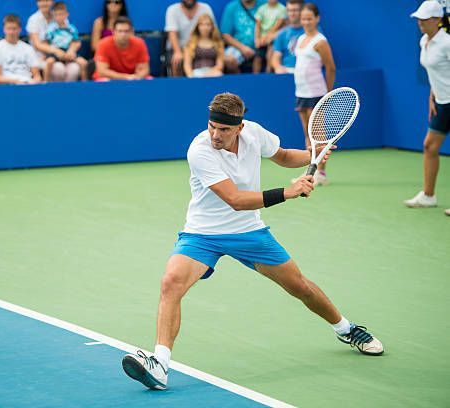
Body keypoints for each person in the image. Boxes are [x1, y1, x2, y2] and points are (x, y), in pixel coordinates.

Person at [120, 92, 384, 391]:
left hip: (248, 233)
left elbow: (283, 156)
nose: (215, 134)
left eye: (224, 130)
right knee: (171, 282)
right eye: (212, 126)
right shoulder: (200, 150)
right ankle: (161, 365)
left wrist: (312, 154)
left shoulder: (254, 133)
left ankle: (346, 329)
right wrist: (288, 192)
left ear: (239, 128)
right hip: (203, 234)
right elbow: (234, 199)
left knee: (299, 286)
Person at [404, 1, 450, 216]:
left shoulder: (447, 43)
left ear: (438, 20)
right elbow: (437, 73)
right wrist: (433, 95)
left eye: (425, 19)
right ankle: (428, 195)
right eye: (419, 19)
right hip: (441, 103)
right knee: (430, 146)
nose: (420, 23)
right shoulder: (424, 41)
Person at [292, 3, 335, 186]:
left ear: (317, 19)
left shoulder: (321, 41)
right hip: (301, 91)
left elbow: (330, 68)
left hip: (317, 92)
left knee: (318, 134)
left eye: (310, 18)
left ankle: (321, 173)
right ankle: (311, 169)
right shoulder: (300, 38)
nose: (306, 22)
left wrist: (328, 93)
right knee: (308, 134)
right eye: (303, 18)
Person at [164, 0, 216, 76]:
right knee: (176, 61)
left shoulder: (206, 8)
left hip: (199, 48)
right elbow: (172, 33)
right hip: (180, 48)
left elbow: (214, 32)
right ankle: (177, 87)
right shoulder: (172, 10)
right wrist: (177, 52)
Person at [0, 14, 42, 84]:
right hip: (7, 87)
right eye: (8, 28)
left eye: (14, 28)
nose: (11, 32)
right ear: (4, 29)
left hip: (27, 85)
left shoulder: (28, 48)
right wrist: (15, 81)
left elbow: (37, 76)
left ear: (19, 29)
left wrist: (33, 82)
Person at [93, 17, 151, 81]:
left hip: (133, 78)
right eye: (120, 31)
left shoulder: (140, 43)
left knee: (149, 79)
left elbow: (145, 69)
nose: (123, 34)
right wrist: (125, 77)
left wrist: (137, 76)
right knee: (103, 80)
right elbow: (102, 71)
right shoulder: (103, 44)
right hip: (110, 78)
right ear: (113, 32)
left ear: (132, 32)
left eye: (126, 31)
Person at [43, 2, 88, 82]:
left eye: (61, 14)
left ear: (67, 14)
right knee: (49, 62)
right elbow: (46, 43)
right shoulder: (51, 28)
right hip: (56, 52)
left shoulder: (72, 28)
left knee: (83, 63)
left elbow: (76, 42)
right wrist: (52, 53)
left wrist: (71, 51)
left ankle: (85, 85)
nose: (59, 17)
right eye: (57, 15)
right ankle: (45, 83)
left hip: (69, 52)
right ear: (53, 15)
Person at [220, 0, 265, 74]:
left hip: (261, 45)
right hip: (239, 46)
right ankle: (242, 83)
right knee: (228, 60)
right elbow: (225, 35)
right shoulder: (232, 7)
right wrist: (242, 48)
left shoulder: (264, 5)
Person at [182, 14, 224, 78]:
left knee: (219, 74)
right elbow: (187, 64)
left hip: (212, 73)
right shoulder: (190, 43)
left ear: (212, 26)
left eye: (208, 24)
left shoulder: (218, 43)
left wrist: (209, 73)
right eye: (202, 24)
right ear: (197, 27)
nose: (205, 27)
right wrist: (191, 76)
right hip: (195, 73)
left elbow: (220, 65)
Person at [270, 0, 304, 74]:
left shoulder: (312, 31)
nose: (292, 13)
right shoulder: (282, 34)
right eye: (289, 10)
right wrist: (278, 67)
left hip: (306, 72)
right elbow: (276, 56)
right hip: (287, 71)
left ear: (302, 11)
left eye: (295, 10)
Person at [254, 0, 287, 73]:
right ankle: (255, 77)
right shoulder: (261, 9)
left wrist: (267, 37)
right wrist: (257, 39)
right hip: (262, 40)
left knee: (270, 54)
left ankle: (268, 73)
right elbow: (258, 25)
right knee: (257, 58)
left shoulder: (282, 9)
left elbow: (279, 25)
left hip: (274, 38)